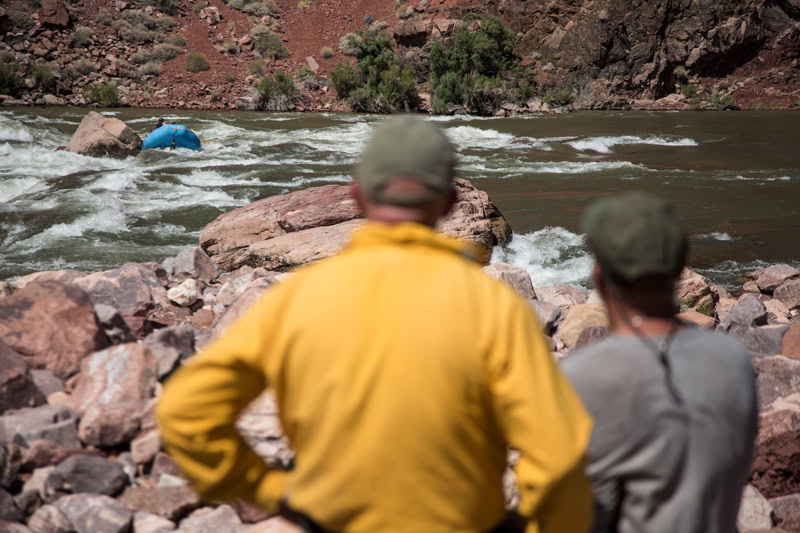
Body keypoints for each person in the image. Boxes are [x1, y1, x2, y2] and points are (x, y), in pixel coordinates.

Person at [156, 117, 594, 533]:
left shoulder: (297, 298)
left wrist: (269, 490)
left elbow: (186, 413)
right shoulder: (493, 307)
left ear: (359, 197)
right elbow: (560, 454)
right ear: (448, 202)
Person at [561, 192, 758, 533]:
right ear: (679, 269)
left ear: (598, 277)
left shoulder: (583, 377)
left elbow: (577, 515)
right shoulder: (734, 359)